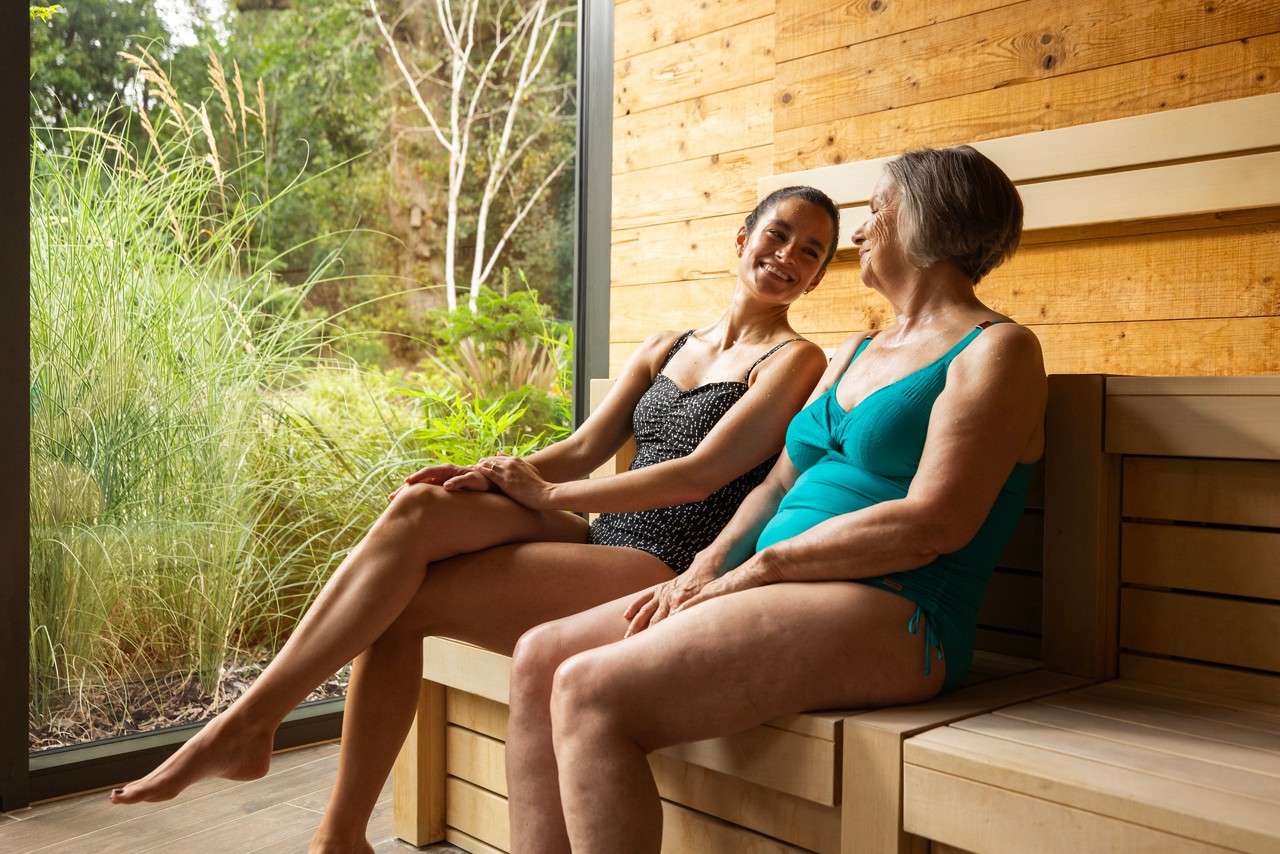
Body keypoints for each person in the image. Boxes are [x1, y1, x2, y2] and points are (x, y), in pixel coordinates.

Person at [108, 186, 840, 854]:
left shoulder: (793, 361)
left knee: (403, 606)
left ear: (814, 279)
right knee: (421, 507)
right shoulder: (668, 346)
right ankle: (326, 821)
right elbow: (586, 448)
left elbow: (700, 474)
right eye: (777, 235)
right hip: (601, 537)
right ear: (741, 237)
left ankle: (254, 736)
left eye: (810, 252)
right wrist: (492, 474)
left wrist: (546, 498)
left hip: (665, 565)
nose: (787, 257)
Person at [504, 145, 1046, 854]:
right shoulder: (854, 351)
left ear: (924, 221)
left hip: (896, 604)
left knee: (589, 687)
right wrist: (707, 567)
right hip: (771, 584)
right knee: (540, 655)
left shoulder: (995, 350)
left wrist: (759, 570)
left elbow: (933, 523)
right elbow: (777, 484)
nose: (859, 234)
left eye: (877, 212)